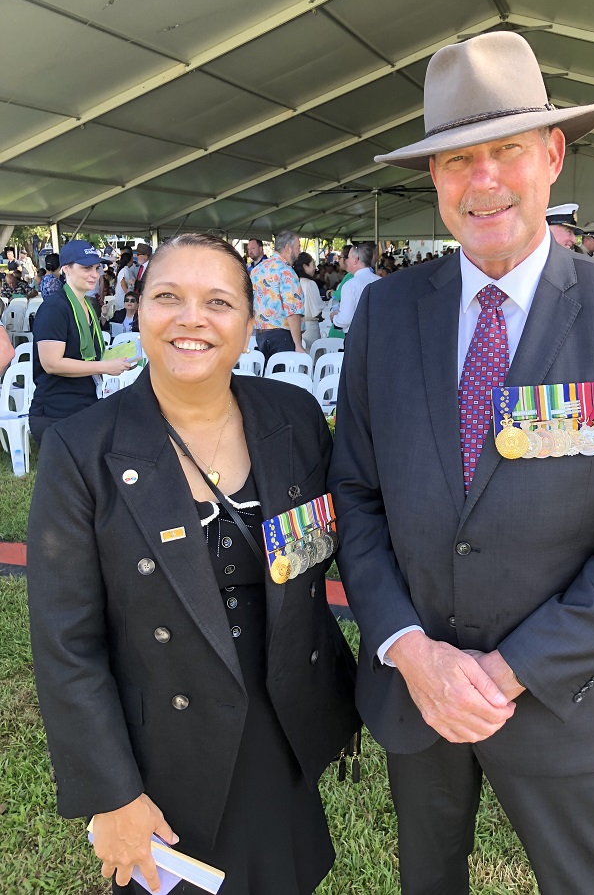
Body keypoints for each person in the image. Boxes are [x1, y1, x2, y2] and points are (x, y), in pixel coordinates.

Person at [328, 31, 594, 895]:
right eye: (457, 160)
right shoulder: (385, 314)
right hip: (419, 700)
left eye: (506, 151)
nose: (482, 179)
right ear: (433, 178)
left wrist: (507, 670)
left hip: (568, 702)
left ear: (553, 155)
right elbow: (357, 494)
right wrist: (412, 652)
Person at [27, 232, 359, 895]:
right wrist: (112, 794)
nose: (191, 319)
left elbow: (346, 544)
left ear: (248, 323)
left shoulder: (292, 417)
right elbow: (66, 643)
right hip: (162, 754)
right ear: (138, 312)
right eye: (168, 297)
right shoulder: (82, 448)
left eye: (218, 301)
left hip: (280, 729)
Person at [28, 240, 132, 445]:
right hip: (56, 413)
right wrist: (105, 366)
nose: (94, 274)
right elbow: (51, 363)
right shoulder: (55, 308)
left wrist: (117, 359)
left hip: (85, 406)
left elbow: (89, 355)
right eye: (86, 268)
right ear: (66, 269)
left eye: (96, 267)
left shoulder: (87, 305)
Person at [249, 230, 305, 360]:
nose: (299, 251)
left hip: (261, 335)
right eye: (298, 247)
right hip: (282, 336)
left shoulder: (257, 269)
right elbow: (292, 311)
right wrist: (298, 344)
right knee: (283, 378)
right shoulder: (287, 272)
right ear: (288, 248)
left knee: (269, 377)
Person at [329, 243, 379, 334]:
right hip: (377, 334)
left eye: (348, 258)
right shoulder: (380, 281)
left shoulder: (350, 285)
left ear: (355, 260)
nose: (346, 261)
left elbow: (345, 319)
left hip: (357, 336)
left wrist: (334, 318)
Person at [292, 252, 325, 348]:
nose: (315, 267)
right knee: (313, 358)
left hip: (295, 327)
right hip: (310, 328)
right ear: (305, 266)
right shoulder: (310, 284)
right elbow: (317, 311)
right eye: (313, 264)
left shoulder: (293, 283)